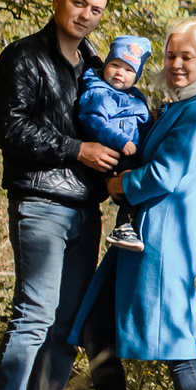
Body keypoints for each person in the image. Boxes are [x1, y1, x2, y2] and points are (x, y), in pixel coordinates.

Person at [71, 20, 196, 390]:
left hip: (166, 242)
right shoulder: (174, 107)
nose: (176, 65)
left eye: (188, 58)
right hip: (135, 235)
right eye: (171, 56)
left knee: (178, 341)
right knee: (97, 327)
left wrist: (121, 184)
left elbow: (168, 172)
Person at [0, 0, 124, 390]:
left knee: (66, 326)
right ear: (58, 0)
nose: (86, 15)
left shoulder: (95, 64)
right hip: (40, 202)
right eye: (79, 3)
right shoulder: (23, 57)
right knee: (34, 315)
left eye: (96, 10)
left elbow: (113, 123)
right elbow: (10, 128)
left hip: (86, 209)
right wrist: (76, 150)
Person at [81, 35, 155, 252]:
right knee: (131, 178)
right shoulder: (99, 93)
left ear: (137, 77)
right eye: (114, 65)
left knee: (145, 175)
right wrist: (120, 141)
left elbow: (144, 125)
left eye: (128, 70)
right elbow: (93, 122)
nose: (119, 73)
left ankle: (133, 224)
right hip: (110, 153)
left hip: (132, 152)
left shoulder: (135, 98)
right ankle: (123, 225)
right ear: (105, 65)